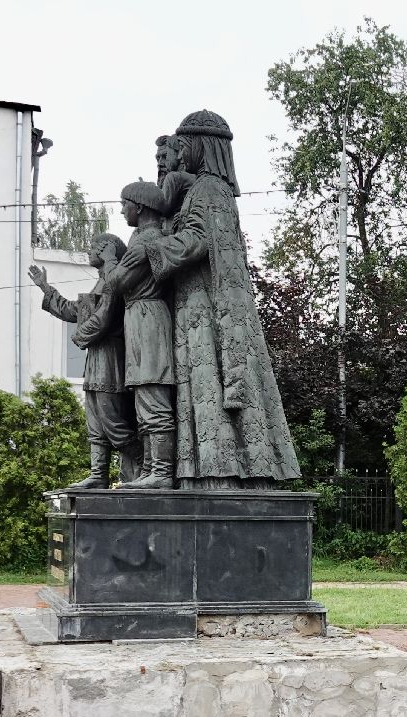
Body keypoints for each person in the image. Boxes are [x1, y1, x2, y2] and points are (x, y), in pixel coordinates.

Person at [121, 110, 299, 488]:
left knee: (212, 380)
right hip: (194, 301)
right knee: (200, 383)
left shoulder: (210, 189)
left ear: (202, 146)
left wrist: (151, 248)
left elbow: (199, 239)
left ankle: (224, 472)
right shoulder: (201, 188)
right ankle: (200, 472)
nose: (180, 154)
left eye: (185, 147)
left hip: (209, 304)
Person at [76, 182, 179, 488]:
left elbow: (116, 283)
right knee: (142, 400)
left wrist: (111, 259)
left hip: (148, 319)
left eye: (125, 204)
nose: (122, 210)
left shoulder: (148, 238)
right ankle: (149, 471)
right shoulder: (140, 237)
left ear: (140, 206)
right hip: (138, 318)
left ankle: (161, 472)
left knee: (152, 392)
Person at [30, 236, 135, 488]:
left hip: (110, 358)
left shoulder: (113, 280)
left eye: (94, 246)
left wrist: (79, 336)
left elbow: (103, 318)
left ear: (107, 250)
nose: (89, 250)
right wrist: (46, 288)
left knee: (112, 421)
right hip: (95, 358)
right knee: (95, 422)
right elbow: (74, 311)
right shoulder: (101, 282)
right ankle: (98, 475)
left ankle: (145, 462)